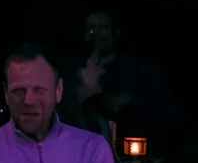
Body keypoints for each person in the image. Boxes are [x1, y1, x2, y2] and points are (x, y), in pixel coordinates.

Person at [74, 10, 182, 150]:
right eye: (91, 28)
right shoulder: (71, 69)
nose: (97, 33)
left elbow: (170, 112)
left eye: (103, 27)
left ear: (116, 32)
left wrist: (129, 100)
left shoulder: (138, 71)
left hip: (128, 152)